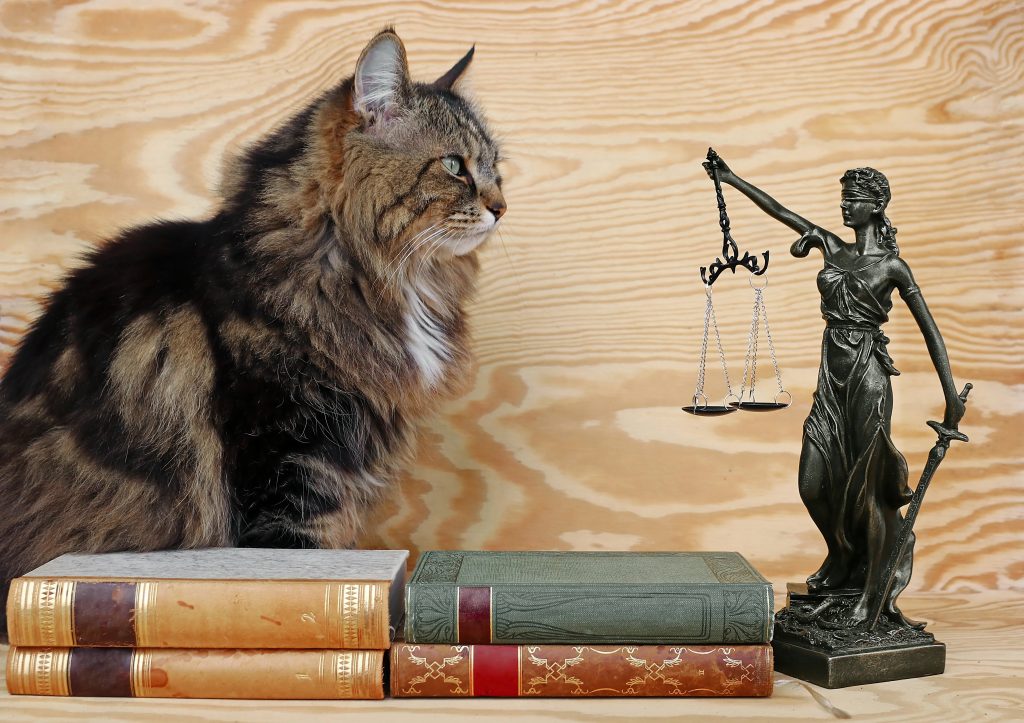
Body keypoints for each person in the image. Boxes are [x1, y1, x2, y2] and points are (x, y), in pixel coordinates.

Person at [706, 156, 966, 625]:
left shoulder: (894, 267)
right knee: (812, 482)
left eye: (855, 200)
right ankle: (843, 556)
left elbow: (930, 330)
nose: (845, 207)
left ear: (877, 206)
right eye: (842, 199)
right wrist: (729, 178)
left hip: (868, 376)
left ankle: (869, 596)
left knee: (869, 488)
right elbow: (780, 210)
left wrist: (951, 396)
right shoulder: (829, 245)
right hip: (831, 376)